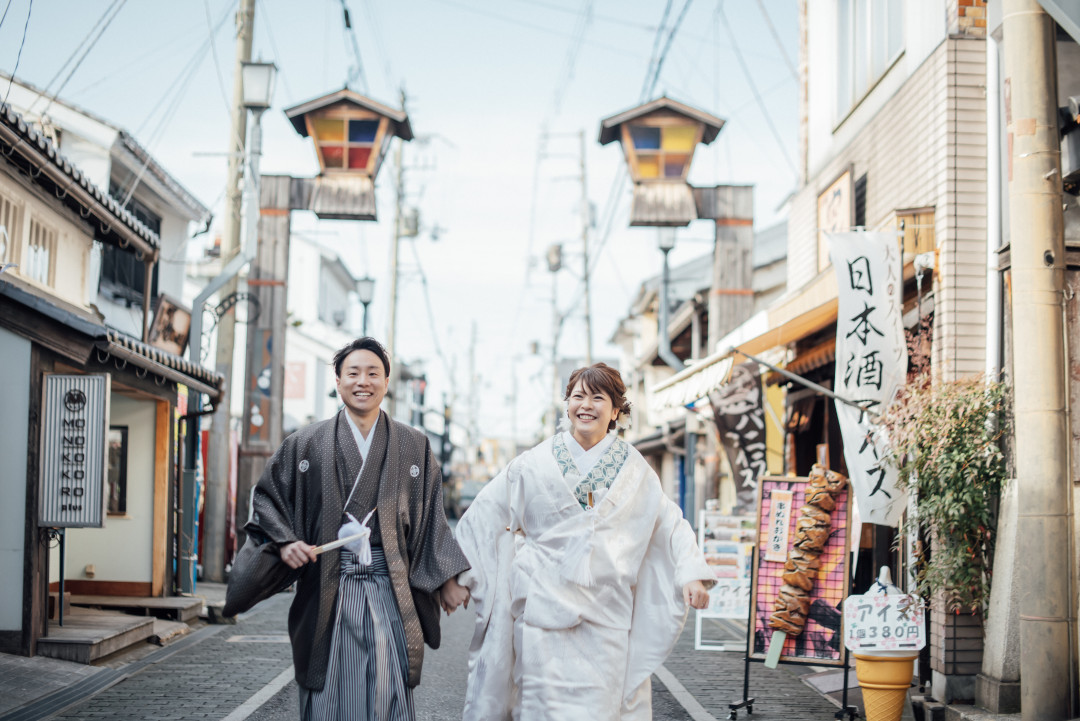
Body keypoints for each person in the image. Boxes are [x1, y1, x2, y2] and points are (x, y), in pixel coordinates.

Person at [454, 362, 715, 721]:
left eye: (598, 397)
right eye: (578, 396)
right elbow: (486, 513)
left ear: (617, 411)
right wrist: (459, 575)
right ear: (567, 405)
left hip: (606, 616)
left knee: (600, 709)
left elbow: (669, 523)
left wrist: (690, 573)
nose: (586, 405)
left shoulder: (635, 469)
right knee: (540, 709)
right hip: (542, 612)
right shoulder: (535, 462)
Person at [239, 337, 471, 721]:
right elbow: (267, 500)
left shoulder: (414, 445)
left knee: (387, 688)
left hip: (390, 585)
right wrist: (284, 542)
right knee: (329, 690)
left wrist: (447, 578)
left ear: (386, 381)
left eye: (373, 373)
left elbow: (431, 517)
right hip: (328, 584)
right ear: (337, 380)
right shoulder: (305, 444)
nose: (363, 381)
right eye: (353, 373)